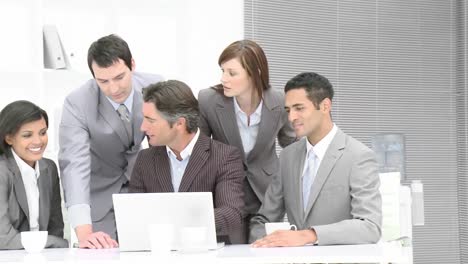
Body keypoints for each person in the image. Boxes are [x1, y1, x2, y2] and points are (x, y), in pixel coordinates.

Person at [250, 72, 382, 246]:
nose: (291, 118)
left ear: (325, 106)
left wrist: (309, 235)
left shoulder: (358, 156)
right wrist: (261, 244)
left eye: (299, 108)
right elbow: (264, 219)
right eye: (288, 110)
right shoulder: (288, 156)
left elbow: (370, 227)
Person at [58, 34, 163, 249]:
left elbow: (169, 142)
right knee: (101, 253)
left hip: (145, 188)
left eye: (119, 77)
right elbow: (74, 165)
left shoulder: (156, 86)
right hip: (99, 193)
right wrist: (84, 233)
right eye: (103, 81)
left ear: (132, 65)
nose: (113, 89)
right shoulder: (76, 103)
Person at [198, 40, 296, 242]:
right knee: (231, 254)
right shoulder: (208, 100)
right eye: (222, 71)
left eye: (232, 73)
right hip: (226, 192)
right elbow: (200, 150)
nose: (224, 78)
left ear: (255, 73)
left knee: (263, 252)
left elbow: (291, 144)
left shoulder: (279, 101)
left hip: (266, 193)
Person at [129, 80, 245, 244]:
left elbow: (232, 215)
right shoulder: (145, 160)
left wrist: (181, 219)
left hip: (207, 255)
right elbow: (133, 217)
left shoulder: (224, 157)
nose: (143, 127)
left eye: (151, 120)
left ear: (179, 123)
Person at [0, 100, 68, 249]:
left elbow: (55, 227)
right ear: (9, 138)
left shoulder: (49, 168)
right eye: (27, 135)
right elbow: (3, 238)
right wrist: (59, 243)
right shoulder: (2, 172)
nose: (38, 141)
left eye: (42, 133)